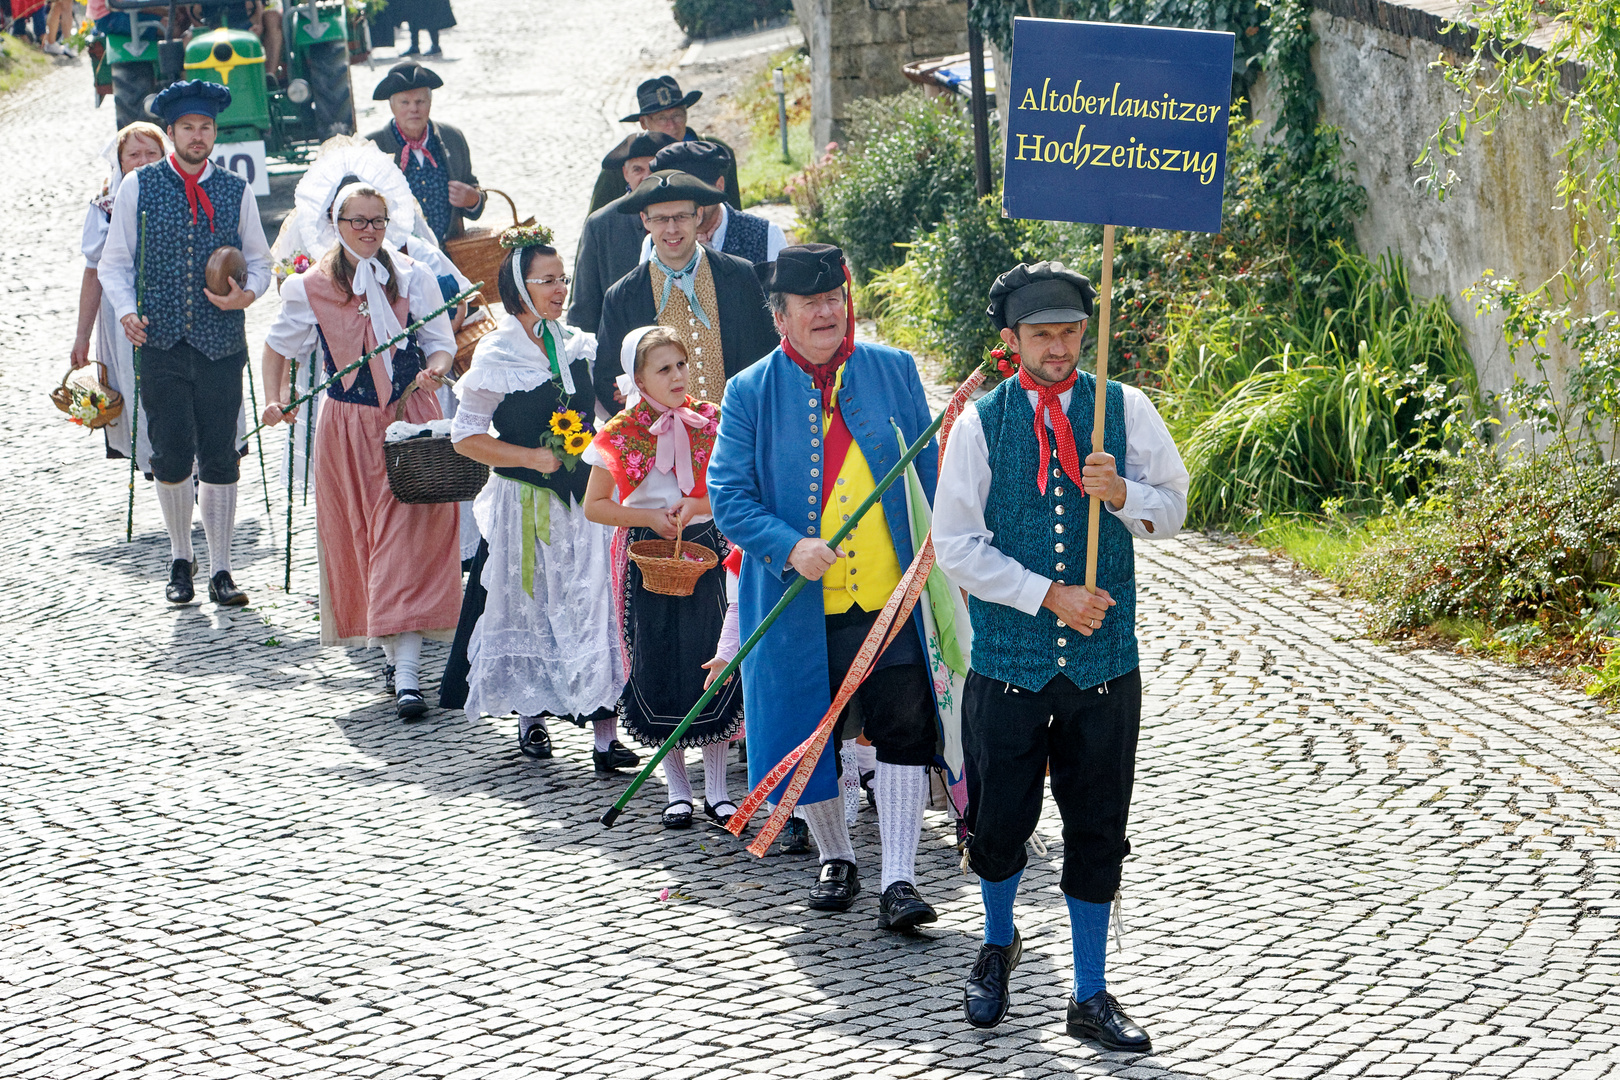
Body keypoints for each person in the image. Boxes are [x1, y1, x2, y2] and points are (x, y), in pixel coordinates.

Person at [932, 261, 1189, 1048]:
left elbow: (1175, 509)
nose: (1059, 348)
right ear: (1010, 342)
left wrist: (1122, 496)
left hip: (1104, 665)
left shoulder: (1126, 411)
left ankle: (1089, 992)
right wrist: (1048, 595)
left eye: (1071, 332)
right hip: (1009, 661)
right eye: (1042, 335)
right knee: (1001, 823)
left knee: (1098, 823)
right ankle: (997, 941)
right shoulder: (983, 422)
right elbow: (954, 546)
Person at [708, 243, 943, 932]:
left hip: (891, 597)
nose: (827, 313)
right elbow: (728, 496)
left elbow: (929, 477)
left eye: (835, 298)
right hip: (798, 606)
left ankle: (899, 877)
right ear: (780, 317)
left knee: (903, 724)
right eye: (810, 304)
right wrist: (791, 546)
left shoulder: (894, 370)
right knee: (810, 733)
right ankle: (836, 856)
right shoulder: (749, 391)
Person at [258, 183, 462, 719]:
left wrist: (433, 372)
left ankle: (410, 675)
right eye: (357, 221)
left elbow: (443, 343)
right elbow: (279, 347)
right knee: (366, 540)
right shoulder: (310, 287)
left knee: (407, 539)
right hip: (346, 427)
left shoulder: (414, 276)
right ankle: (397, 658)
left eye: (377, 220)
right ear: (337, 223)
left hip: (409, 421)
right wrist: (275, 399)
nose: (368, 230)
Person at [445, 226, 637, 773]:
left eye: (562, 279)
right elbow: (465, 435)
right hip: (524, 500)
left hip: (582, 500)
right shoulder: (497, 352)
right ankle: (531, 717)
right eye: (547, 281)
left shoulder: (575, 342)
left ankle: (605, 733)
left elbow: (597, 413)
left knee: (593, 601)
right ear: (520, 287)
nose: (559, 289)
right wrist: (529, 458)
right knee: (530, 604)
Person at [98, 80, 271, 607]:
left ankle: (221, 568)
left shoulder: (235, 189)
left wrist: (247, 295)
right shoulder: (139, 186)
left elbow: (260, 262)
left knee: (220, 455)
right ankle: (180, 558)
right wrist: (127, 312)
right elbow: (115, 262)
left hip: (221, 344)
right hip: (160, 341)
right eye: (189, 128)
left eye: (207, 128)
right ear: (170, 133)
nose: (199, 136)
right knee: (170, 454)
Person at [583, 326, 742, 829]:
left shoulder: (711, 420)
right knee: (659, 662)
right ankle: (677, 788)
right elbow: (595, 506)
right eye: (663, 368)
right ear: (638, 378)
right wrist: (649, 518)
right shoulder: (622, 433)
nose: (677, 376)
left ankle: (716, 788)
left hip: (706, 548)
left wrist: (696, 504)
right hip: (647, 556)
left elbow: (734, 489)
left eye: (681, 364)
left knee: (709, 659)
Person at [594, 171, 777, 414]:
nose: (671, 229)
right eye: (660, 219)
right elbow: (611, 382)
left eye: (681, 216)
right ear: (645, 220)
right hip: (663, 444)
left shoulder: (739, 275)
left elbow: (768, 353)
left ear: (698, 215)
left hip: (739, 433)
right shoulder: (624, 296)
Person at [72, 121, 168, 472]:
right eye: (134, 154)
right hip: (123, 316)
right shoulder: (105, 207)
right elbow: (94, 272)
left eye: (151, 153)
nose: (142, 161)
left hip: (176, 306)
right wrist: (82, 336)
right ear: (120, 161)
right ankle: (159, 465)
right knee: (139, 387)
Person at [565, 131, 673, 335]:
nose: (646, 177)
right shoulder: (601, 223)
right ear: (625, 173)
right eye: (637, 170)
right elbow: (584, 305)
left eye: (653, 168)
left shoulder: (684, 215)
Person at [366, 62, 483, 245]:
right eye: (405, 102)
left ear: (430, 102)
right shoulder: (373, 147)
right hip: (397, 259)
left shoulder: (452, 138)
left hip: (449, 256)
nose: (414, 109)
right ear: (392, 106)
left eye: (420, 101)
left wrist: (473, 199)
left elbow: (472, 187)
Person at [588, 76, 740, 214]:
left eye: (677, 115)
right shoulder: (621, 166)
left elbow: (735, 211)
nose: (671, 125)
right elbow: (596, 228)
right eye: (661, 118)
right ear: (643, 123)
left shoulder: (716, 152)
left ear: (686, 115)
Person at [635, 141, 786, 266]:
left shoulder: (765, 235)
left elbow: (783, 299)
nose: (690, 202)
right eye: (679, 197)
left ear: (719, 186)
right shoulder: (655, 243)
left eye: (698, 191)